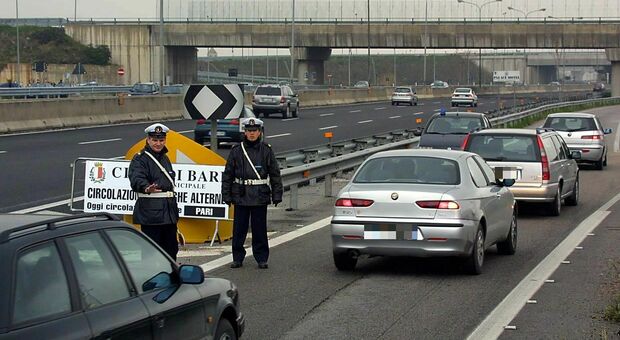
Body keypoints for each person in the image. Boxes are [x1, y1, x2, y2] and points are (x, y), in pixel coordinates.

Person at [221, 118, 283, 269]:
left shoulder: (266, 150)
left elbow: (275, 174)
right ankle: (237, 258)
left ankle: (261, 258)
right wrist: (226, 195)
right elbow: (228, 175)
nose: (252, 134)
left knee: (259, 229)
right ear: (245, 132)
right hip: (241, 195)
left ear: (259, 132)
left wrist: (277, 194)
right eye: (249, 131)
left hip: (259, 195)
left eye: (254, 131)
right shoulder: (236, 151)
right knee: (239, 229)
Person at [129, 123, 180, 260]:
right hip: (151, 215)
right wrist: (146, 187)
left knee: (171, 251)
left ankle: (170, 278)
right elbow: (136, 178)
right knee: (151, 253)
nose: (158, 143)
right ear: (148, 140)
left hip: (168, 214)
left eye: (161, 140)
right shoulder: (140, 158)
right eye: (155, 140)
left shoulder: (165, 158)